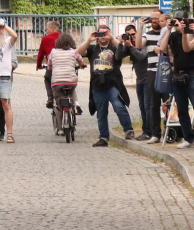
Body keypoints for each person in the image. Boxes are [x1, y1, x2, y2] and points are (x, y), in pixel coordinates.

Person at [78, 22, 135, 146]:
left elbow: (124, 52)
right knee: (101, 113)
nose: (103, 36)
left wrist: (112, 38)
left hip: (113, 84)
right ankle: (103, 137)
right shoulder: (93, 48)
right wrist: (89, 39)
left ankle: (128, 130)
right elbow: (79, 52)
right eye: (100, 33)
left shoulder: (115, 47)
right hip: (97, 85)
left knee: (119, 106)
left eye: (105, 33)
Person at [158, 10, 194, 149]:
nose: (178, 22)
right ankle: (188, 138)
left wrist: (184, 32)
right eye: (176, 20)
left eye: (181, 20)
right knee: (182, 109)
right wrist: (167, 30)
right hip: (177, 74)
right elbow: (162, 48)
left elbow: (186, 48)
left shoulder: (191, 33)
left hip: (191, 73)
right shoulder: (172, 34)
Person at [134, 13, 164, 142]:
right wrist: (140, 27)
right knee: (153, 104)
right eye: (153, 18)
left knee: (168, 103)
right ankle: (155, 133)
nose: (154, 20)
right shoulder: (148, 34)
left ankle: (173, 131)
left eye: (157, 18)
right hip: (151, 71)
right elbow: (139, 45)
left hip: (165, 71)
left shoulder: (169, 33)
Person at [47, 31, 84, 131]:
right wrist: (82, 65)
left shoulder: (53, 52)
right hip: (71, 81)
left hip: (57, 82)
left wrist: (50, 68)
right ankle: (76, 104)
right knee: (72, 91)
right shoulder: (74, 52)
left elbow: (49, 65)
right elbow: (81, 61)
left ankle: (60, 128)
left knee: (58, 104)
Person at [35, 19, 61, 108]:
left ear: (53, 29)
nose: (46, 31)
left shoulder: (46, 39)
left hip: (53, 68)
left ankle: (50, 97)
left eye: (47, 29)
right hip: (67, 67)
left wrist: (38, 65)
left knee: (47, 78)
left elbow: (41, 54)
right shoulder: (64, 37)